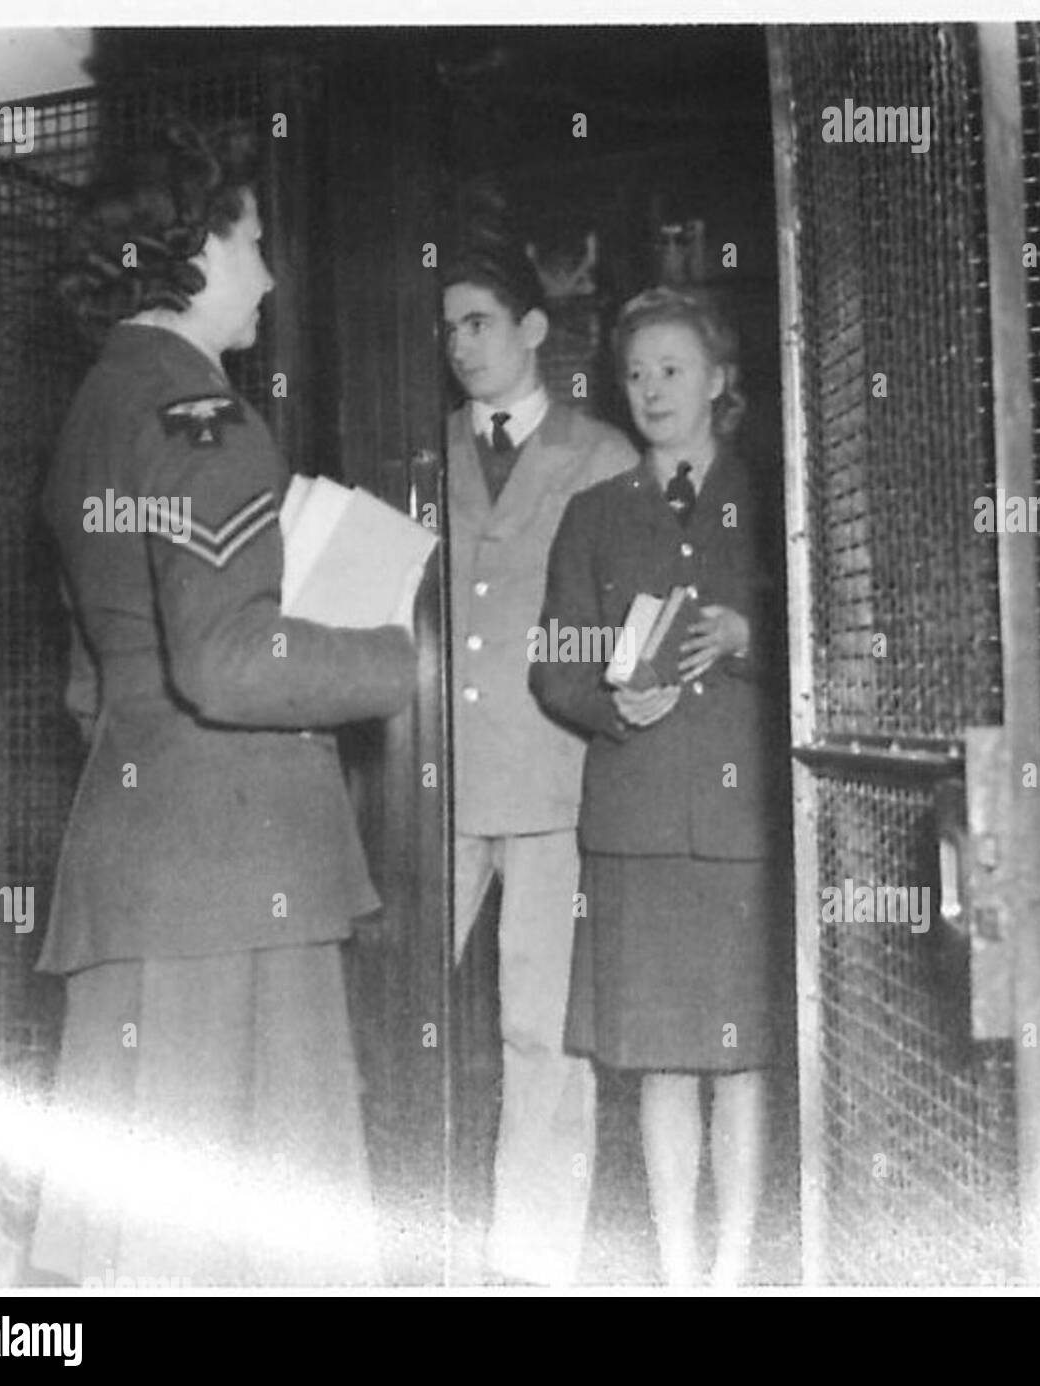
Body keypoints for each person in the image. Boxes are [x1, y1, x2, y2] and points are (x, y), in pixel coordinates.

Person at [29, 119, 418, 1286]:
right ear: (191, 248)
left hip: (140, 858)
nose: (271, 272)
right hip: (234, 876)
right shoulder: (203, 418)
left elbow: (95, 683)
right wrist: (392, 660)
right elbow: (227, 662)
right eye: (255, 241)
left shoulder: (98, 408)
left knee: (145, 1244)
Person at [530, 286, 791, 1287]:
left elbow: (831, 642)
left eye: (672, 369)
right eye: (636, 373)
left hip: (742, 827)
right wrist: (607, 703)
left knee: (743, 1056)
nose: (650, 390)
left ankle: (731, 1272)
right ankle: (682, 1275)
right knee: (659, 1056)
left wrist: (746, 636)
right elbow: (551, 662)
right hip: (636, 825)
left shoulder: (774, 504)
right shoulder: (592, 516)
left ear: (720, 382)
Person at [443, 238, 638, 1283]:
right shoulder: (418, 451)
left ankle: (530, 1260)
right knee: (403, 1000)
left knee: (540, 1029)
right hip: (432, 783)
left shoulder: (599, 454)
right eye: (447, 327)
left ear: (530, 328)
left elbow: (634, 616)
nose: (459, 343)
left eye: (478, 320)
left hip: (554, 782)